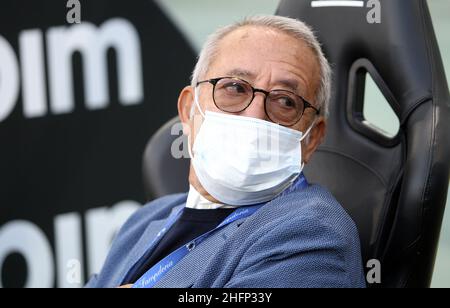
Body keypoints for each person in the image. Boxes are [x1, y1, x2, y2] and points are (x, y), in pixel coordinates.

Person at [86, 15, 366, 288]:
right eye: (234, 88)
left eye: (285, 101)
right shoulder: (142, 222)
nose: (255, 116)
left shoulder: (313, 235)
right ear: (188, 110)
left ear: (312, 139)